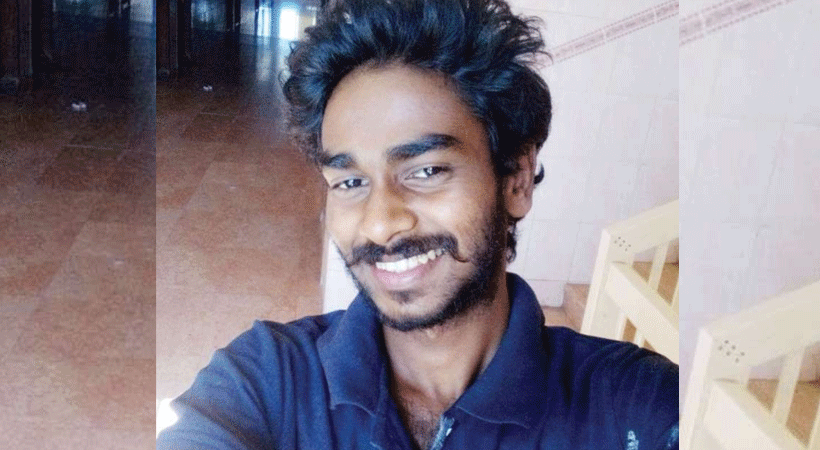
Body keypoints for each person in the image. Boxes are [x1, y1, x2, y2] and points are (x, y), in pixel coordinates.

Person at [156, 0, 679, 449]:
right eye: (350, 182)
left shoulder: (636, 408)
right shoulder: (266, 381)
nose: (380, 224)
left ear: (516, 179)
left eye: (425, 171)